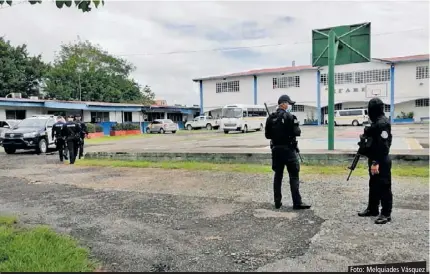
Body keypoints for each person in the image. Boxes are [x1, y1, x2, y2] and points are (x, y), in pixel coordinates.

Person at [265, 94, 311, 210]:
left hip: (276, 151)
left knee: (278, 176)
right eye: (288, 104)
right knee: (294, 176)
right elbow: (297, 132)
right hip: (289, 150)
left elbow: (267, 135)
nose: (289, 106)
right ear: (283, 104)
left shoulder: (271, 118)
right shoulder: (290, 116)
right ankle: (297, 203)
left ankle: (277, 202)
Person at [357, 97, 393, 225]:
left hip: (381, 160)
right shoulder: (376, 122)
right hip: (375, 159)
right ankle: (372, 209)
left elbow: (384, 147)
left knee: (384, 186)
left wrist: (375, 162)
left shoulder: (382, 124)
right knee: (373, 185)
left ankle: (386, 213)